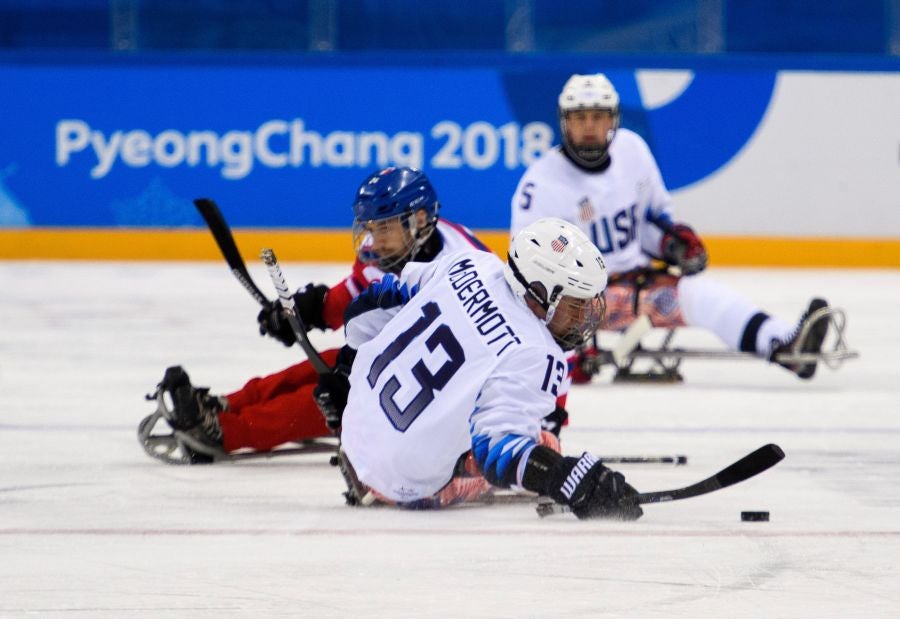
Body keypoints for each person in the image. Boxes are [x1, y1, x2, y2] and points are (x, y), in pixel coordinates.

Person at [142, 167, 566, 465]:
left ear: (419, 220)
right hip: (422, 368)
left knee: (343, 392)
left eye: (384, 228)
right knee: (328, 365)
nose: (373, 240)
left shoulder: (460, 261)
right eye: (370, 228)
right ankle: (228, 404)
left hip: (457, 394)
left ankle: (227, 431)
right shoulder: (395, 250)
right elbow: (354, 296)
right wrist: (306, 311)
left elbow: (531, 343)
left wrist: (547, 415)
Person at [311, 217, 643, 520]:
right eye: (576, 303)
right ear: (539, 293)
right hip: (400, 480)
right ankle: (398, 481)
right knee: (545, 442)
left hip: (355, 423)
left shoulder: (471, 263)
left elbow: (372, 304)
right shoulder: (537, 352)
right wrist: (567, 476)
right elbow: (498, 453)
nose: (583, 317)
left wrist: (347, 365)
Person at [510, 73, 830, 383]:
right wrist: (563, 346)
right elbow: (527, 275)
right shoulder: (540, 186)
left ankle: (783, 345)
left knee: (702, 293)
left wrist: (672, 245)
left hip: (640, 288)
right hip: (580, 303)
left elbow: (652, 220)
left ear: (614, 119)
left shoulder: (632, 151)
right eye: (580, 117)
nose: (590, 126)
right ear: (564, 121)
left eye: (599, 116)